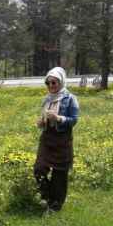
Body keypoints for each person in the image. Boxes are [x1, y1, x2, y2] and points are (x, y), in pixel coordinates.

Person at [34, 67, 79, 212]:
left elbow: (74, 120)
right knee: (39, 169)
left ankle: (55, 204)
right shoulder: (47, 99)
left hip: (62, 139)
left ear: (61, 82)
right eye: (48, 83)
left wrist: (59, 118)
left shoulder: (70, 98)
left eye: (54, 83)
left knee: (60, 173)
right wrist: (41, 122)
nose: (51, 86)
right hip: (47, 138)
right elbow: (43, 118)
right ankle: (47, 197)